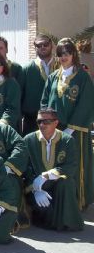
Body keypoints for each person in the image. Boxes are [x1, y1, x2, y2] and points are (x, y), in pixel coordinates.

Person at [41, 37, 94, 209]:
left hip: (75, 132)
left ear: (73, 55)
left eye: (67, 53)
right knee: (57, 165)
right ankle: (60, 202)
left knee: (76, 165)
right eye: (60, 54)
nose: (64, 57)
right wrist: (47, 123)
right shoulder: (53, 77)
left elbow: (86, 104)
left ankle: (79, 201)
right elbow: (45, 101)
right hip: (55, 130)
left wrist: (71, 129)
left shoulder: (82, 77)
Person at [22, 108, 83, 231]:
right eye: (39, 121)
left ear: (56, 122)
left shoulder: (67, 140)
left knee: (66, 183)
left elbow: (71, 166)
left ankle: (69, 223)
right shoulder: (29, 140)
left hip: (57, 184)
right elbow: (24, 167)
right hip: (38, 187)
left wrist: (47, 175)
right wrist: (35, 189)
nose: (42, 124)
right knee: (46, 215)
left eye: (47, 121)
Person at [20, 35, 60, 135]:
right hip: (32, 121)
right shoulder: (26, 69)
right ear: (35, 48)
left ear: (51, 45)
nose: (42, 47)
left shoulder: (62, 66)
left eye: (45, 44)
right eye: (39, 45)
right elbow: (20, 96)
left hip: (58, 120)